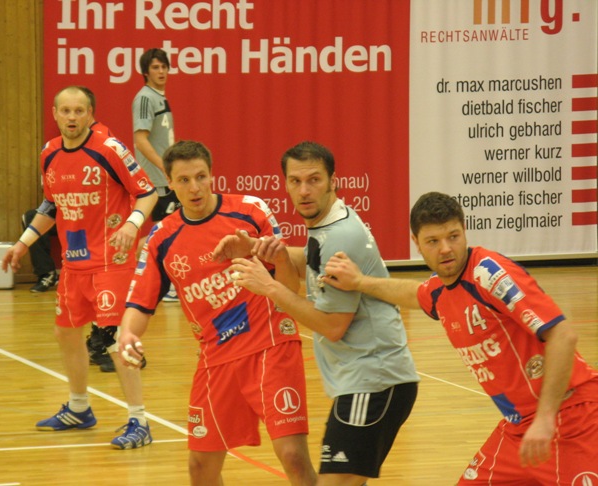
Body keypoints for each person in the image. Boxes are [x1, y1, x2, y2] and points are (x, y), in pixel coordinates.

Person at [320, 191, 598, 484]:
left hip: (571, 418)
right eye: (433, 241)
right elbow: (415, 294)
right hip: (519, 428)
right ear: (416, 243)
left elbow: (563, 336)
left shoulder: (490, 274)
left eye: (453, 236)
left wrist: (545, 418)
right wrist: (360, 281)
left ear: (464, 230)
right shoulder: (440, 290)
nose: (445, 249)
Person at [118, 140, 316, 485]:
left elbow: (289, 287)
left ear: (212, 175)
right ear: (170, 182)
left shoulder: (250, 211)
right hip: (216, 358)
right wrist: (128, 334)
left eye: (201, 177)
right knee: (200, 467)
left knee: (293, 456)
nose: (194, 188)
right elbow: (139, 303)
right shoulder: (161, 238)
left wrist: (281, 258)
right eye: (184, 180)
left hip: (270, 346)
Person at [222, 141, 420, 485]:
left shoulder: (340, 236)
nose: (304, 190)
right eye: (296, 181)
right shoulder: (329, 224)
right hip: (364, 380)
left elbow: (332, 326)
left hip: (374, 381)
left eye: (314, 180)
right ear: (285, 184)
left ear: (333, 181)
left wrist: (270, 287)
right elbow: (313, 261)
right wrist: (259, 249)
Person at [2, 85, 158, 449]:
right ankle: (79, 407)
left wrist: (132, 224)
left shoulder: (109, 149)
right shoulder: (49, 153)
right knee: (67, 333)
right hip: (74, 264)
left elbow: (147, 192)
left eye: (79, 111)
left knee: (117, 339)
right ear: (55, 114)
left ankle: (139, 421)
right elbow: (51, 205)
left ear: (90, 114)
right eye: (66, 111)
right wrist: (22, 243)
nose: (72, 117)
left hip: (111, 262)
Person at [132, 47, 180, 302]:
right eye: (155, 67)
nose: (161, 71)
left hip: (166, 176)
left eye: (164, 66)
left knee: (169, 229)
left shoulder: (160, 97)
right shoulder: (145, 98)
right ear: (145, 72)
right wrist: (164, 166)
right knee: (168, 231)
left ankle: (162, 283)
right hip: (157, 179)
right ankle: (163, 284)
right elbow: (140, 140)